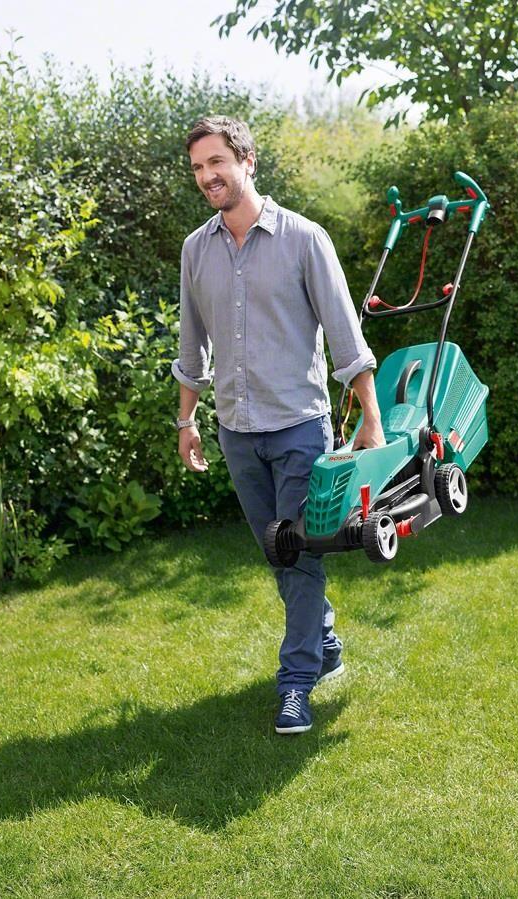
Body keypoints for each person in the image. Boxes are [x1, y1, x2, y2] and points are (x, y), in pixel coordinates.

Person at [173, 115, 384, 735]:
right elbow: (192, 346)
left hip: (298, 429)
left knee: (296, 554)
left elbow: (345, 335)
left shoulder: (304, 239)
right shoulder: (196, 249)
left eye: (217, 162)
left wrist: (370, 419)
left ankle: (296, 685)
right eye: (198, 168)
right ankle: (326, 642)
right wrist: (186, 420)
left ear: (247, 161)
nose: (207, 176)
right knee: (278, 553)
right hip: (237, 432)